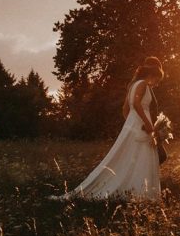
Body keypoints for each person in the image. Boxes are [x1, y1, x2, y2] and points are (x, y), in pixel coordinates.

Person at [55, 57, 164, 201]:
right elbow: (137, 104)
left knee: (135, 156)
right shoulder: (143, 84)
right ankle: (140, 193)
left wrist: (131, 124)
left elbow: (125, 108)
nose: (157, 82)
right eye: (158, 79)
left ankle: (135, 188)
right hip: (142, 123)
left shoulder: (133, 85)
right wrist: (147, 124)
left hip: (135, 124)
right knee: (142, 155)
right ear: (152, 75)